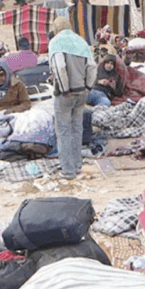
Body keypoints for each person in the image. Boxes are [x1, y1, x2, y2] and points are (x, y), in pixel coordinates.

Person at [48, 17, 96, 180]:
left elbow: (60, 67)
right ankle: (77, 166)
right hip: (81, 92)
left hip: (65, 94)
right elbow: (91, 66)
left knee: (63, 131)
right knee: (77, 128)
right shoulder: (81, 41)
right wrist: (87, 87)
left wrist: (64, 88)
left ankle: (68, 170)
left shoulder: (56, 42)